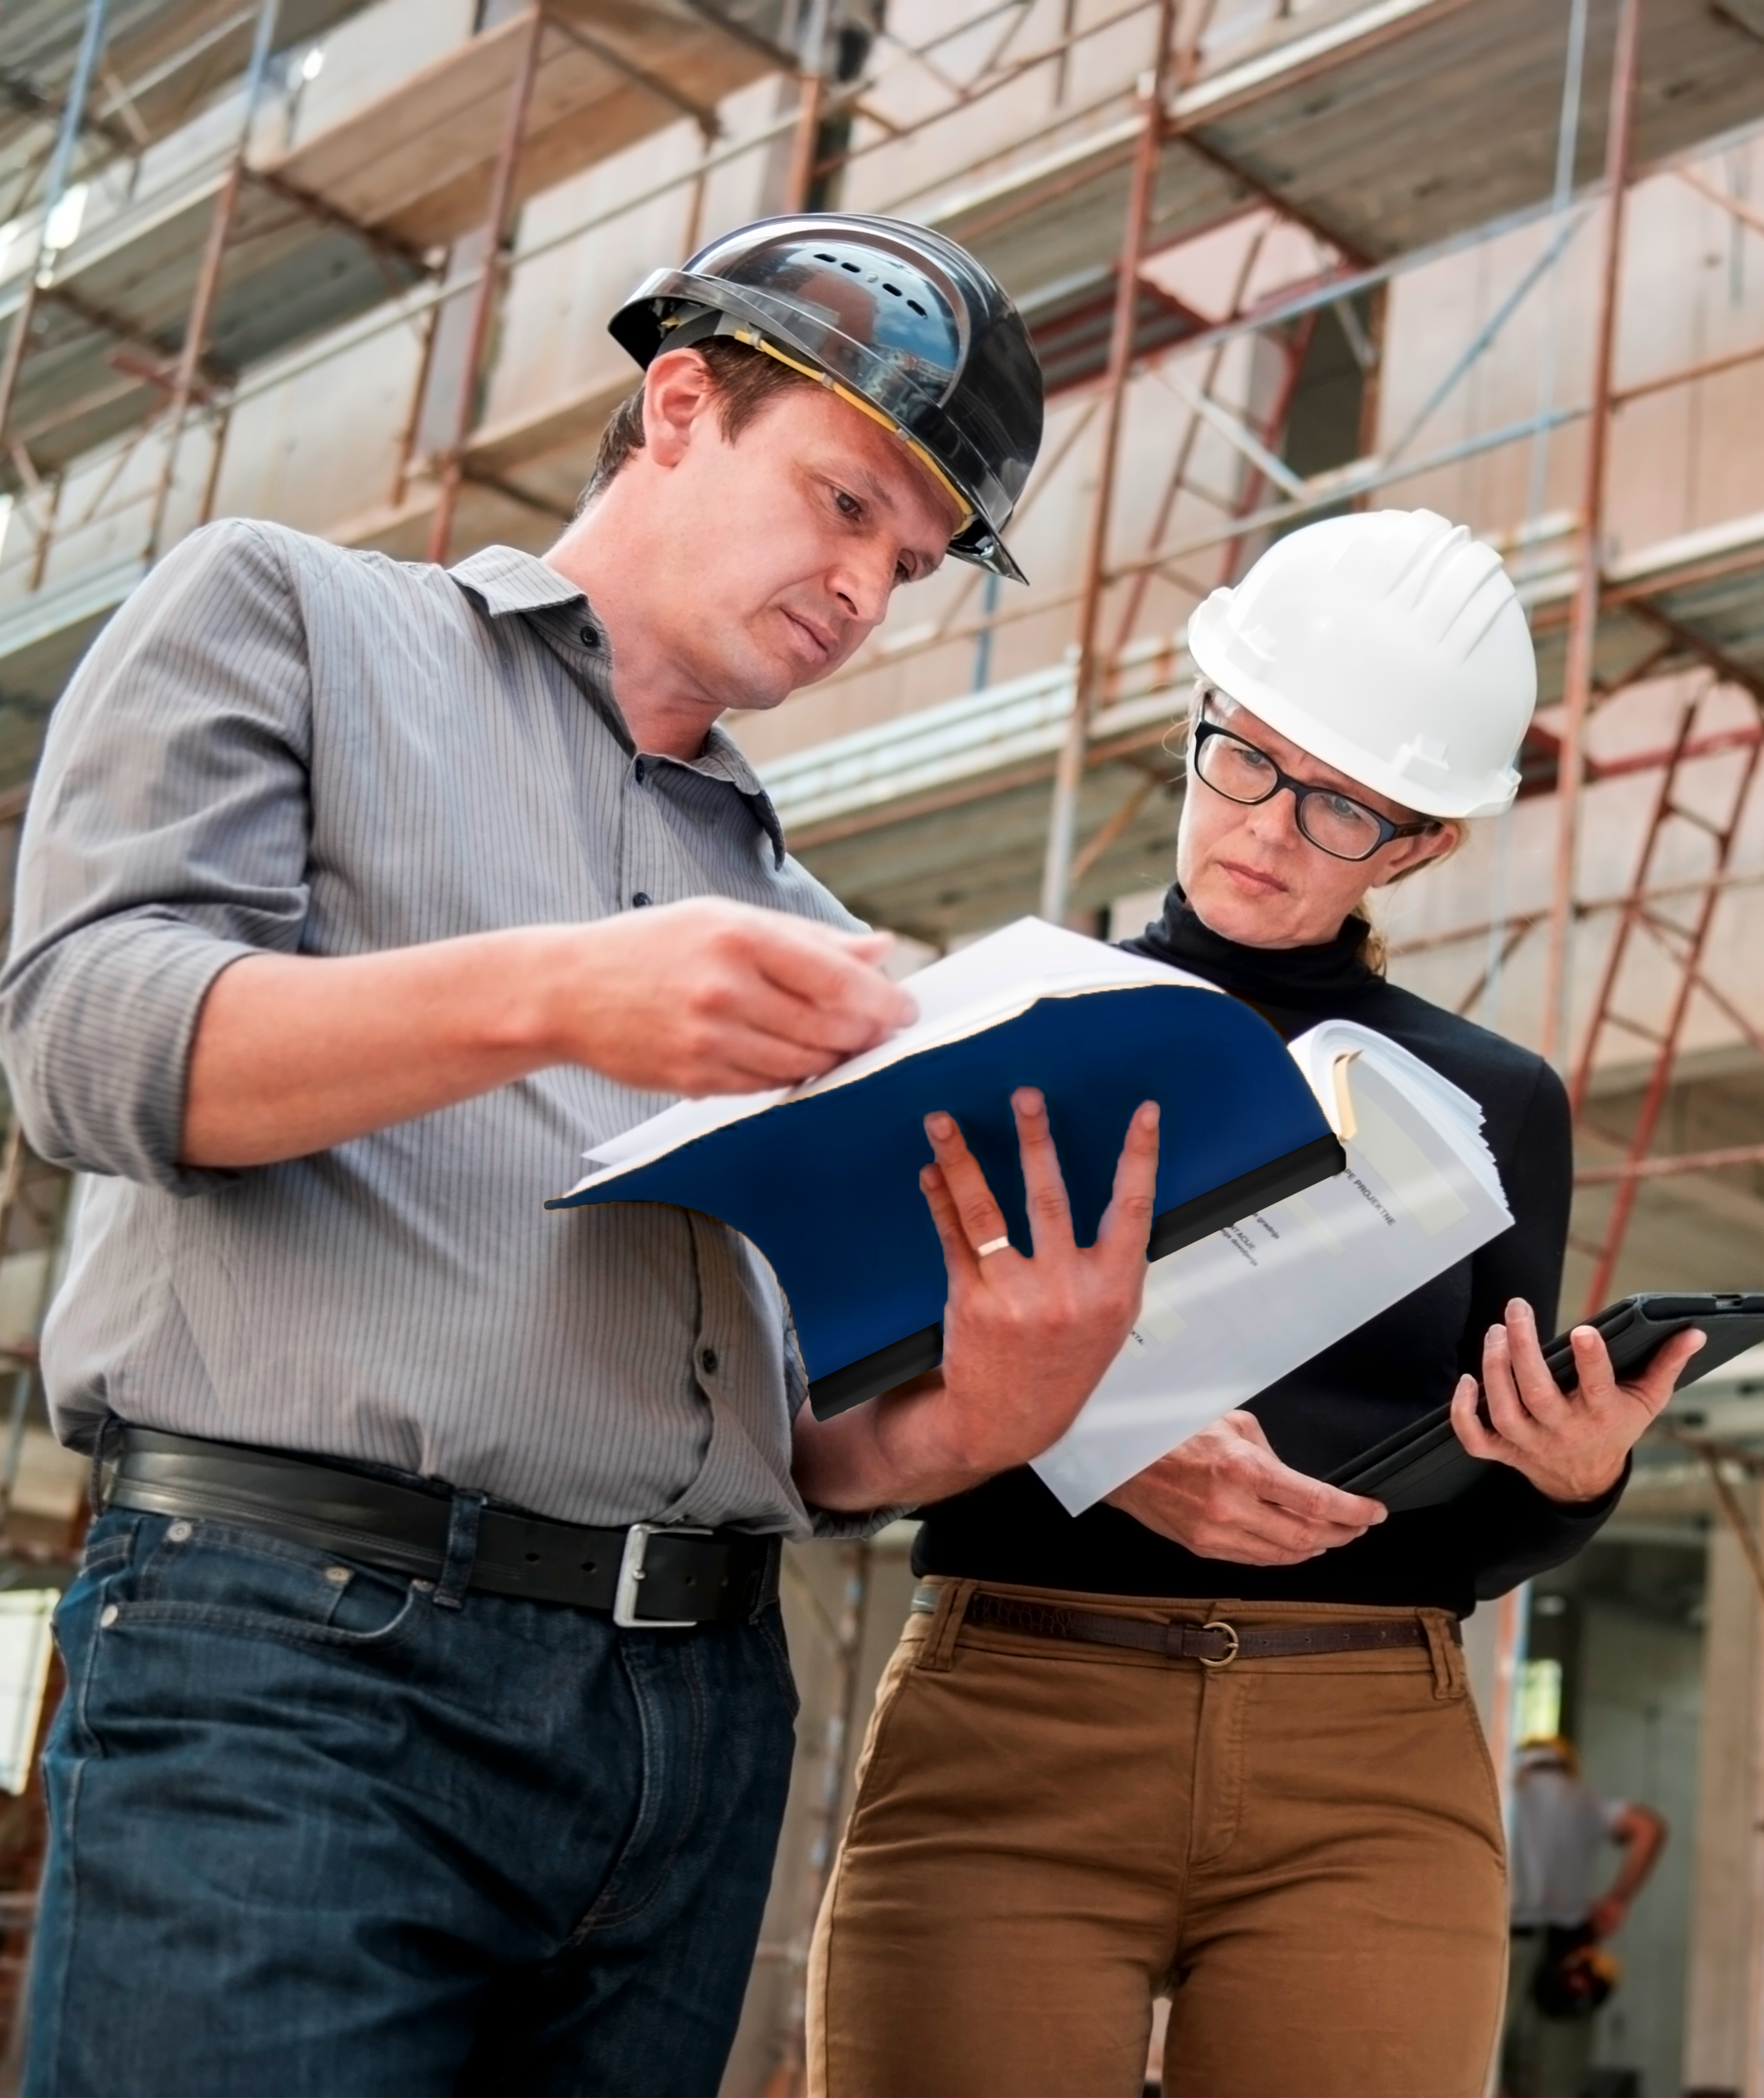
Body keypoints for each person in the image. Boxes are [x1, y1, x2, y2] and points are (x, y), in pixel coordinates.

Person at [0, 212, 1164, 2098]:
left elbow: (773, 1428)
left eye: (913, 557)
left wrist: (979, 1417)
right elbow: (82, 1043)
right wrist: (555, 995)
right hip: (304, 1663)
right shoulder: (287, 614)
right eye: (843, 502)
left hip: (690, 1730)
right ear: (681, 403)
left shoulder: (802, 930)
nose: (866, 587)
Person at [800, 507, 1704, 2098]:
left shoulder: (1497, 1101)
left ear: (1423, 839)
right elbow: (836, 1429)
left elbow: (1455, 1526)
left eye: (1344, 804)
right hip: (1018, 1710)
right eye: (1245, 759)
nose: (1268, 829)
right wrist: (1102, 1438)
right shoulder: (999, 1026)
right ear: (1199, 723)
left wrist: (1572, 1481)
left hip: (1367, 1742)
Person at [1501, 1735, 1667, 2098]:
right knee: (1557, 2072)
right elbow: (1649, 1828)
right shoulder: (1585, 1798)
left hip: (1506, 1941)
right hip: (1570, 1949)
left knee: (1488, 2055)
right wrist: (1618, 1899)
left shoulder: (1506, 1786)